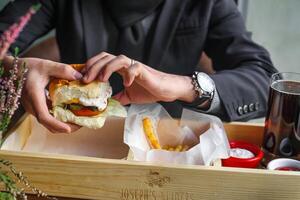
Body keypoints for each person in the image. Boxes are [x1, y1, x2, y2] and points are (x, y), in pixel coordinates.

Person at [0, 0, 277, 133]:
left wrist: (181, 85)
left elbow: (264, 80)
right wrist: (15, 70)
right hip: (67, 142)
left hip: (166, 152)